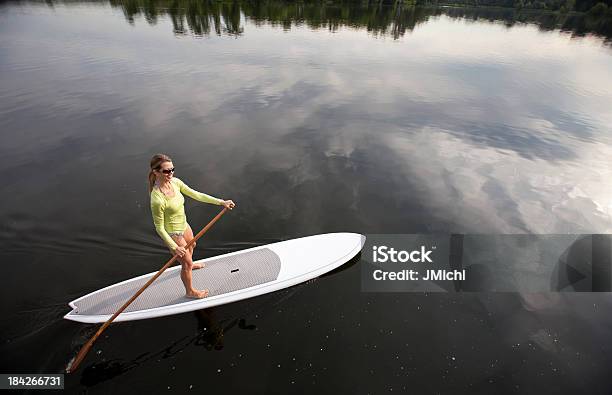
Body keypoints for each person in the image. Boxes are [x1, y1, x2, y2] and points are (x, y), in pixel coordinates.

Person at [148, 154, 235, 299]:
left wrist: (221, 202)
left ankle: (189, 263)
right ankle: (190, 291)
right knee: (186, 263)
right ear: (156, 172)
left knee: (192, 244)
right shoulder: (157, 199)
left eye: (172, 170)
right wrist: (174, 247)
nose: (170, 174)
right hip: (173, 234)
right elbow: (159, 227)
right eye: (166, 171)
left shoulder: (175, 182)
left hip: (184, 225)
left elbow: (196, 195)